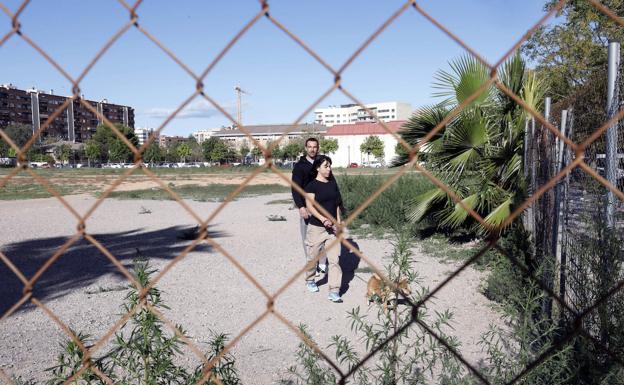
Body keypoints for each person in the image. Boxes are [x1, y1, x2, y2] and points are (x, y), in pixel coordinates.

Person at [304, 155, 344, 303]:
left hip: (332, 230)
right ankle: (310, 279)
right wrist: (323, 219)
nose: (329, 169)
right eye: (326, 166)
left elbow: (337, 206)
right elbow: (310, 206)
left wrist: (338, 223)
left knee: (334, 260)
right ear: (318, 168)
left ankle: (334, 290)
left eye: (330, 166)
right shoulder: (311, 186)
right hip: (316, 228)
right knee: (312, 257)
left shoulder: (333, 184)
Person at [291, 138, 327, 275]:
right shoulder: (300, 166)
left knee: (323, 235)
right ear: (306, 148)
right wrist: (301, 206)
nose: (312, 149)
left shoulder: (323, 163)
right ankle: (312, 264)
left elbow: (329, 182)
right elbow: (295, 188)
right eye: (310, 147)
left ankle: (322, 263)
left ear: (318, 148)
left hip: (322, 206)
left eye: (315, 147)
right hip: (307, 206)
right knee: (308, 239)